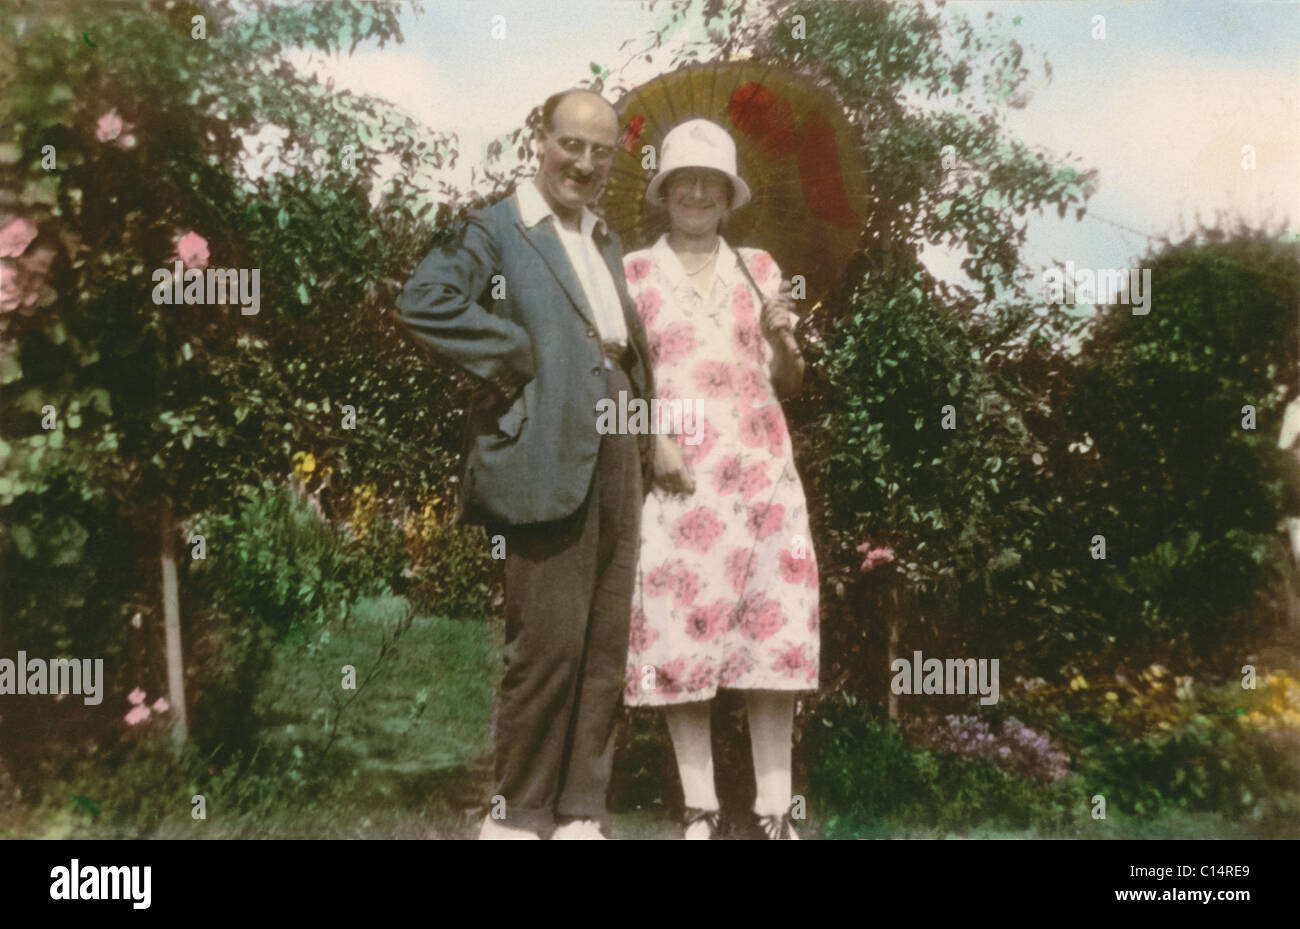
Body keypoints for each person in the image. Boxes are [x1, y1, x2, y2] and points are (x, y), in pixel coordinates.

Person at [395, 88, 654, 840]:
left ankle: (578, 814)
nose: (585, 162)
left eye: (601, 152)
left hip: (616, 442)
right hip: (544, 444)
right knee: (546, 643)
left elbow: (623, 344)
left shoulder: (604, 239)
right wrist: (512, 359)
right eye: (571, 144)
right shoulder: (495, 227)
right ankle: (515, 815)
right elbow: (425, 300)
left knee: (604, 640)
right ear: (540, 139)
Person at [621, 119, 819, 839]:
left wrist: (784, 339)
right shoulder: (635, 272)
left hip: (764, 474)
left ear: (728, 195)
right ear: (665, 191)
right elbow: (620, 375)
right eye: (684, 180)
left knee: (774, 637)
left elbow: (789, 383)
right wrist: (651, 441)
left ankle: (773, 812)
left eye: (711, 181)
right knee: (683, 631)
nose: (697, 192)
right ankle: (700, 808)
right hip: (683, 480)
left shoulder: (758, 268)